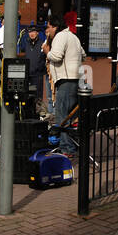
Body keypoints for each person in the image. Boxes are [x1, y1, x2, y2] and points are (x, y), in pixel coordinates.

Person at [45, 18, 83, 156]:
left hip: (66, 80)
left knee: (62, 115)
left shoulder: (60, 36)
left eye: (49, 27)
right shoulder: (74, 37)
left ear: (55, 27)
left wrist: (46, 51)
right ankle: (72, 145)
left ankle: (67, 148)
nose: (47, 30)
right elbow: (83, 54)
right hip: (76, 79)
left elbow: (56, 56)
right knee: (71, 116)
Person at [24, 26, 47, 113]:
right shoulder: (26, 43)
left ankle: (39, 114)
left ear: (37, 33)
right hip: (28, 74)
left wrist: (40, 68)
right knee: (28, 96)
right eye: (30, 32)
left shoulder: (42, 44)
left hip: (38, 75)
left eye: (33, 32)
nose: (32, 34)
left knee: (38, 97)